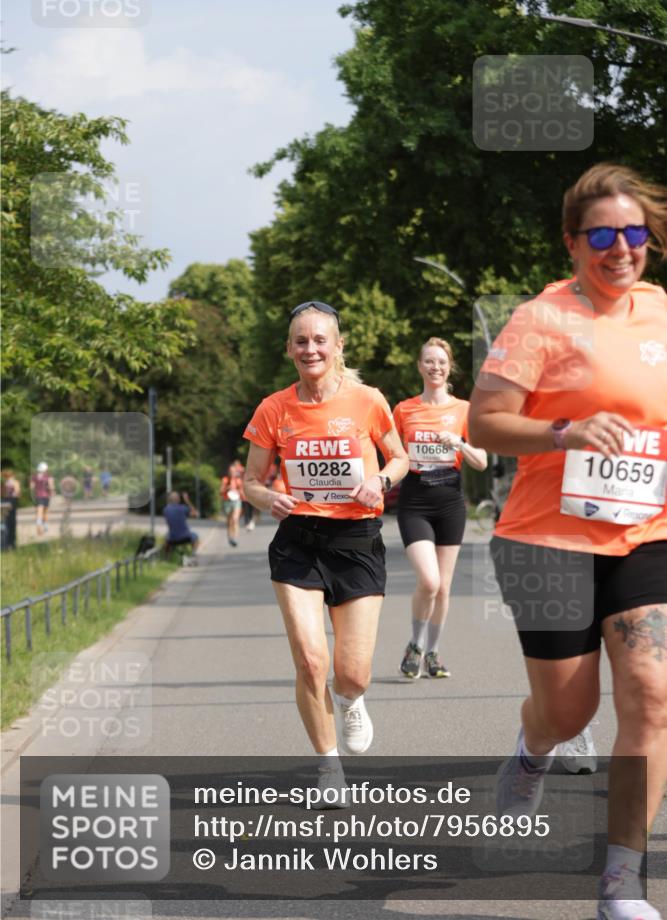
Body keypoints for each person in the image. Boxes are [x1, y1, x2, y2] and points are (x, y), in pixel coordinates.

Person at [468, 163, 667, 920]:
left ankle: (621, 884)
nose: (621, 248)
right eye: (603, 235)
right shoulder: (539, 320)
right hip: (545, 537)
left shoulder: (655, 309)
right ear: (571, 243)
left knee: (650, 694)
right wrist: (565, 430)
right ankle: (531, 749)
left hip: (645, 531)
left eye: (634, 232)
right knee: (569, 712)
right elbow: (482, 424)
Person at [243, 301, 408, 798]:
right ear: (289, 349)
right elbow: (251, 480)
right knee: (311, 660)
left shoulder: (367, 400)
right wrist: (268, 495)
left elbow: (399, 457)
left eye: (320, 340)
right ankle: (328, 766)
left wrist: (379, 481)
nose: (310, 348)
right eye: (300, 340)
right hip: (298, 543)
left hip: (356, 542)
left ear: (338, 346)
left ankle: (352, 699)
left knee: (350, 674)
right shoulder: (275, 408)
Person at [393, 338, 487, 679]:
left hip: (449, 501)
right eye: (429, 361)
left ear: (450, 368)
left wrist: (459, 442)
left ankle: (432, 653)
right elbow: (392, 455)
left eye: (442, 362)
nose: (435, 367)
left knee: (444, 587)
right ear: (420, 366)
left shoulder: (463, 409)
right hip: (415, 501)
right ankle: (415, 645)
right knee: (429, 582)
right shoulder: (404, 410)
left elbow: (481, 460)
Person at [163, 490, 199, 558]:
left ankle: (166, 557)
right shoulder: (183, 508)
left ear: (169, 500)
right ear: (179, 499)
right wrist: (187, 500)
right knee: (196, 536)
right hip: (186, 537)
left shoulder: (166, 510)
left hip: (172, 539)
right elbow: (196, 514)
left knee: (166, 538)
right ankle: (193, 553)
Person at [220, 460, 244, 546]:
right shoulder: (225, 480)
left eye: (233, 471)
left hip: (236, 501)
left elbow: (242, 491)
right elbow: (221, 491)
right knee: (229, 521)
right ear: (228, 472)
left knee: (235, 519)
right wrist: (227, 488)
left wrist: (240, 492)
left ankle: (234, 538)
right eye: (231, 471)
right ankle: (230, 536)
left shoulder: (238, 480)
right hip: (227, 501)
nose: (232, 473)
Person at [30, 462, 54, 536]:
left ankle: (39, 526)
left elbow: (32, 487)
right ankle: (45, 526)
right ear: (46, 469)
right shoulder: (48, 477)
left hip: (38, 496)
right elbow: (51, 486)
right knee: (45, 511)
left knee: (39, 512)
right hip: (46, 496)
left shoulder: (34, 477)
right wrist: (52, 492)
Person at [1, 468, 21, 549]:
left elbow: (3, 494)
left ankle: (5, 542)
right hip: (12, 501)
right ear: (12, 475)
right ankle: (12, 543)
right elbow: (17, 492)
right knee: (12, 522)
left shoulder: (5, 483)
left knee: (6, 521)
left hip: (5, 501)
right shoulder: (15, 482)